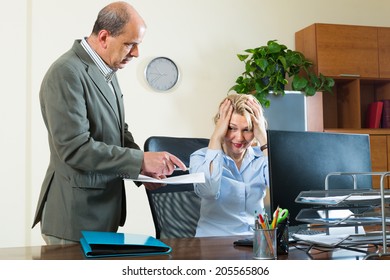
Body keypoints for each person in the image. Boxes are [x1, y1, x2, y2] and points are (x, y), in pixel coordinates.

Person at [32, 1, 186, 245]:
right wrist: (140, 161)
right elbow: (75, 148)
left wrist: (144, 172)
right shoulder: (66, 72)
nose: (136, 53)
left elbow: (118, 131)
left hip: (101, 215)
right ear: (104, 37)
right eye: (130, 44)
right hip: (74, 219)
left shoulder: (106, 70)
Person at [190, 93, 269, 237]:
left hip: (256, 242)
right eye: (232, 128)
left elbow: (280, 190)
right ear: (221, 127)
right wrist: (216, 137)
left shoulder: (262, 157)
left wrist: (264, 138)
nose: (239, 138)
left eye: (247, 129)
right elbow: (209, 191)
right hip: (214, 242)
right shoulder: (199, 158)